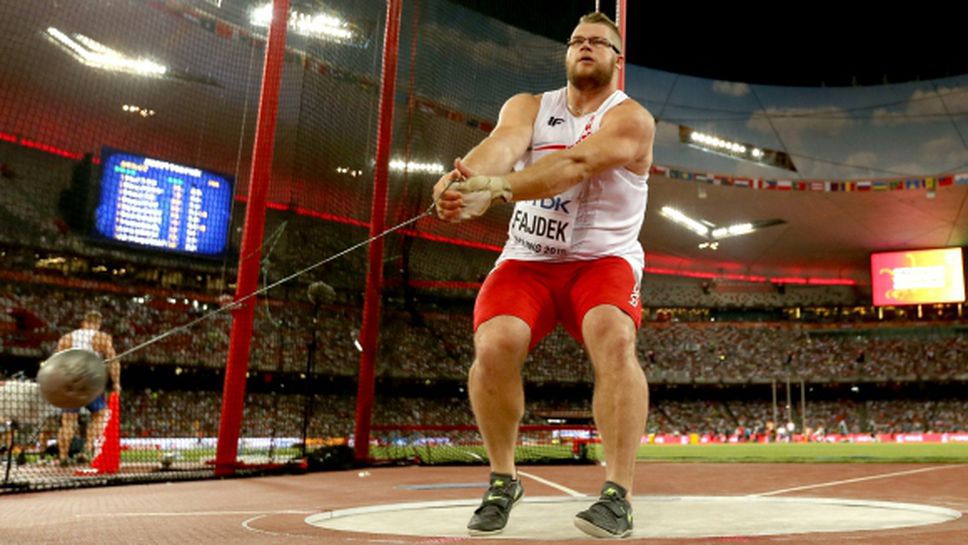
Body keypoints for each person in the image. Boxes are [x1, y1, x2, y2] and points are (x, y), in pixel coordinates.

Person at [432, 12, 654, 539]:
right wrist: (466, 180)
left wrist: (499, 189)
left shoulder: (632, 120)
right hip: (528, 258)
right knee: (494, 343)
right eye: (577, 40)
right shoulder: (529, 106)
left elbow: (577, 164)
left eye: (598, 42)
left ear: (616, 61)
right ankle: (503, 480)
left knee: (613, 335)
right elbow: (503, 145)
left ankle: (617, 495)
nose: (585, 47)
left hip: (603, 260)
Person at [55, 310, 120, 466]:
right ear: (98, 324)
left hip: (70, 382)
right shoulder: (102, 338)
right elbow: (113, 361)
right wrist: (116, 382)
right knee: (100, 415)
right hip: (90, 382)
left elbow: (56, 363)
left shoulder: (67, 338)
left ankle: (63, 457)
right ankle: (86, 449)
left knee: (68, 422)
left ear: (83, 323)